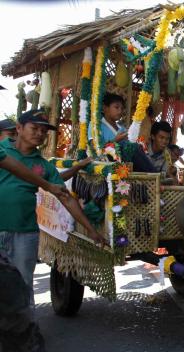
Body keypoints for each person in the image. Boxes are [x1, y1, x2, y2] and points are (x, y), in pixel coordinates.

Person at [0, 110, 106, 305]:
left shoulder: (43, 166)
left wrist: (91, 230)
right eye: (34, 128)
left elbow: (66, 198)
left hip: (25, 233)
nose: (39, 134)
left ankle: (25, 330)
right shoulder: (2, 150)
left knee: (23, 284)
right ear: (19, 128)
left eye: (43, 131)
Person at [88, 93, 156, 172]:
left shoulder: (122, 128)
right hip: (104, 162)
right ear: (105, 108)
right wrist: (115, 140)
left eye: (122, 108)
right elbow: (94, 149)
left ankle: (154, 174)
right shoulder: (95, 125)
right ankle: (155, 173)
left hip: (124, 163)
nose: (120, 111)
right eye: (116, 107)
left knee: (136, 147)